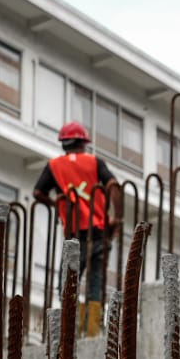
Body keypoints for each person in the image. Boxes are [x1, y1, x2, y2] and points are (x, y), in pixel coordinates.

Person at [33, 121, 115, 337]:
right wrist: (117, 217)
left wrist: (57, 204)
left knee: (68, 283)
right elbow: (113, 185)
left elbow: (37, 192)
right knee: (95, 282)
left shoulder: (54, 166)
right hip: (99, 230)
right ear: (83, 143)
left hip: (74, 234)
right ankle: (92, 329)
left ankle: (71, 328)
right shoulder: (95, 162)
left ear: (64, 144)